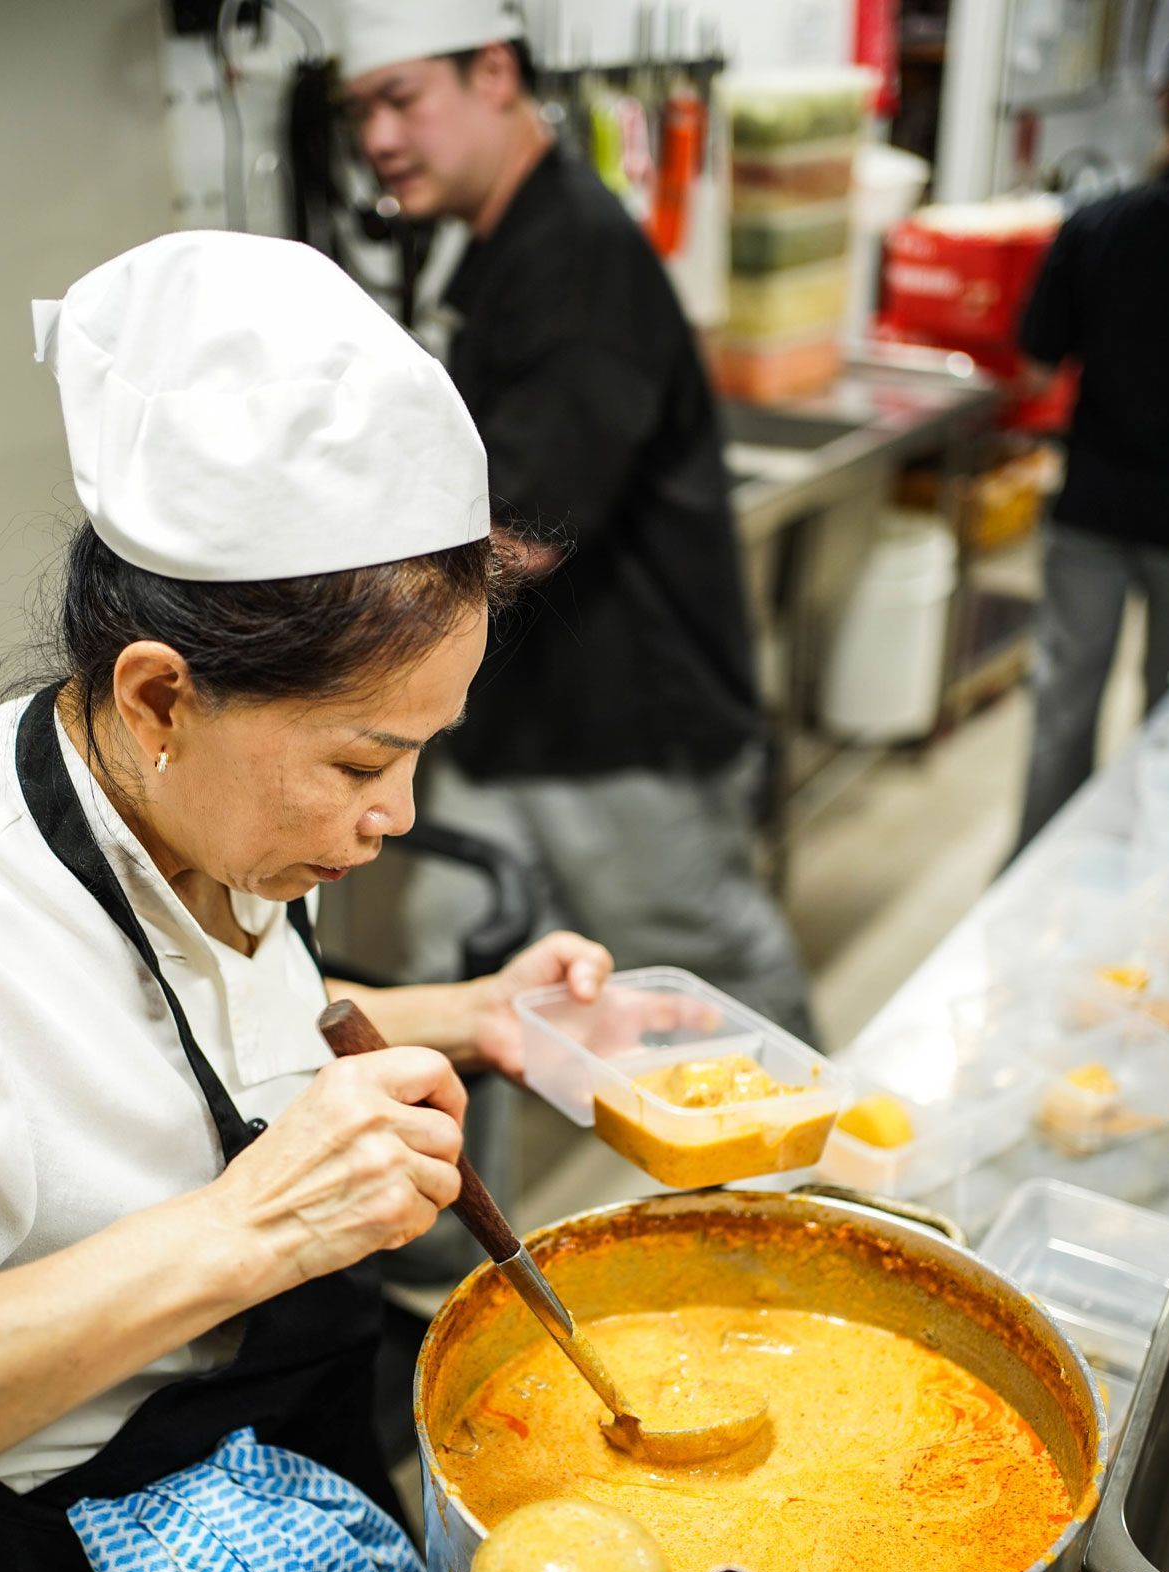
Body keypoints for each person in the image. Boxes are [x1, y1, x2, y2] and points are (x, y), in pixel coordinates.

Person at [0, 228, 611, 1572]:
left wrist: (461, 1013)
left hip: (278, 1473)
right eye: (363, 762)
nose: (393, 819)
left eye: (420, 757)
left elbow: (201, 1020)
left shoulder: (178, 817)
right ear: (159, 693)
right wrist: (249, 1232)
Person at [341, 1, 819, 1041]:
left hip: (620, 728)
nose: (377, 138)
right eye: (358, 111)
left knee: (706, 995)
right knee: (463, 978)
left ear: (496, 75)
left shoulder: (574, 254)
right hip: (507, 713)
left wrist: (340, 638)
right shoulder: (497, 248)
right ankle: (445, 1209)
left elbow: (522, 528)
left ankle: (822, 1194)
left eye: (400, 97)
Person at [1014, 21, 1169, 849]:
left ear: (1166, 103)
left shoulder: (1102, 224)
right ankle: (1146, 899)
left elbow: (1036, 371)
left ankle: (1027, 886)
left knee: (1062, 711)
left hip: (1093, 506)